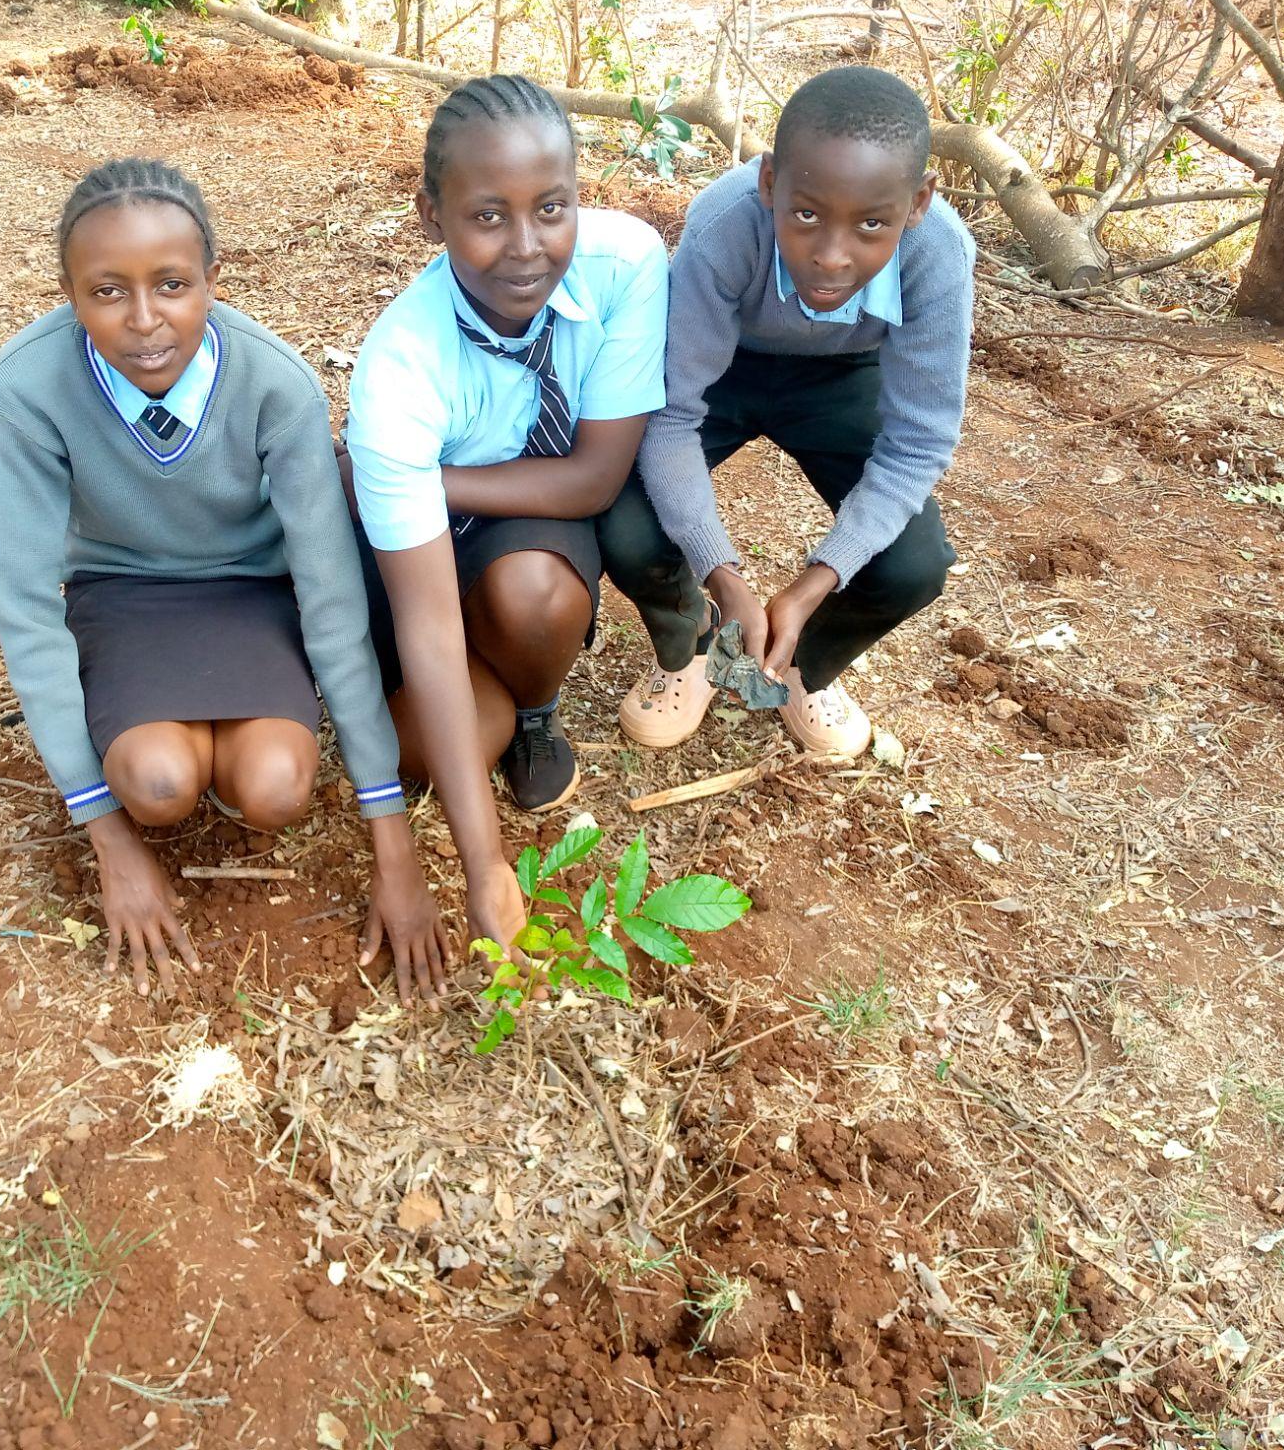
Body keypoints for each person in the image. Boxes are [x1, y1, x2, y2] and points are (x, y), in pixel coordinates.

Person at [0, 159, 448, 1003]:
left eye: (172, 284)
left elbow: (332, 600)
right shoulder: (29, 383)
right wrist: (108, 836)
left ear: (212, 279)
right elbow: (24, 604)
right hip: (123, 593)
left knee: (276, 788)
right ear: (68, 294)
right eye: (107, 292)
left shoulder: (275, 382)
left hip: (247, 593)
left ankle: (223, 755)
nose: (144, 320)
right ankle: (167, 755)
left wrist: (394, 844)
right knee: (158, 786)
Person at [342, 74, 668, 955]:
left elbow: (592, 479)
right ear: (432, 216)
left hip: (524, 506)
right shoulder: (402, 365)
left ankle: (533, 709)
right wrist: (482, 863)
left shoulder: (626, 266)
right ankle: (487, 706)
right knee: (428, 752)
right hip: (418, 553)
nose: (527, 248)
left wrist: (430, 479)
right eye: (488, 216)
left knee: (535, 598)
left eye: (551, 208)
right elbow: (425, 622)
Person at [601, 65, 974, 758]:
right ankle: (694, 647)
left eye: (872, 224)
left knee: (912, 564)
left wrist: (811, 586)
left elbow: (918, 445)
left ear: (919, 201)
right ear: (769, 182)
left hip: (843, 373)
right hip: (724, 364)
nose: (832, 256)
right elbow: (671, 416)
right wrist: (722, 574)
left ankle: (802, 665)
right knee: (625, 526)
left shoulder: (937, 253)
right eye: (806, 215)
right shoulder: (726, 224)